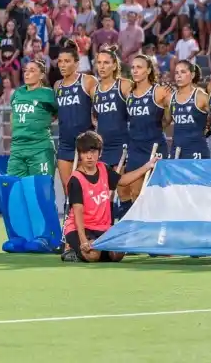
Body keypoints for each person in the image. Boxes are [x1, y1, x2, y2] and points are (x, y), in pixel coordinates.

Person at [61, 131, 159, 263]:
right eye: (85, 153)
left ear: (99, 153)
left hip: (102, 227)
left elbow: (123, 180)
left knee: (118, 255)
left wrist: (147, 166)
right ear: (80, 154)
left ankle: (95, 250)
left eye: (93, 152)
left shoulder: (104, 169)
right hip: (81, 228)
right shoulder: (75, 179)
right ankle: (74, 252)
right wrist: (83, 240)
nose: (89, 156)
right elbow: (78, 212)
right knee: (93, 255)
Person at [120, 54, 170, 214]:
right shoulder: (129, 93)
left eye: (139, 67)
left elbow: (168, 118)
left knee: (156, 194)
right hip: (135, 147)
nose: (134, 70)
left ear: (148, 70)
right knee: (135, 193)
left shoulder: (160, 91)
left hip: (155, 146)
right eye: (133, 67)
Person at [54, 40, 97, 189]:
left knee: (86, 190)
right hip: (65, 143)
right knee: (69, 191)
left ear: (76, 63)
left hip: (85, 144)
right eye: (60, 61)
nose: (62, 65)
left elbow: (100, 106)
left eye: (67, 61)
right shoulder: (57, 85)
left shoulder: (88, 81)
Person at [8, 60, 58, 177]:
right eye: (26, 70)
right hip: (17, 149)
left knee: (40, 191)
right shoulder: (17, 92)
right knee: (14, 189)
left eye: (32, 70)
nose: (27, 73)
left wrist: (43, 122)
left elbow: (58, 112)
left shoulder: (48, 94)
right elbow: (13, 113)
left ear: (41, 75)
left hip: (40, 148)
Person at [92, 46, 130, 168]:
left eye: (106, 63)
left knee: (122, 185)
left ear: (114, 66)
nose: (102, 66)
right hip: (103, 146)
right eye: (99, 62)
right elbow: (94, 117)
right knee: (105, 186)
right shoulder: (94, 90)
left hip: (122, 144)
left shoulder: (124, 85)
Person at [170, 60, 211, 160]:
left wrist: (208, 126)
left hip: (197, 151)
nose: (179, 76)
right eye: (176, 73)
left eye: (183, 72)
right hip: (177, 151)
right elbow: (165, 121)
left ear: (192, 75)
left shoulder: (201, 97)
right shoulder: (170, 98)